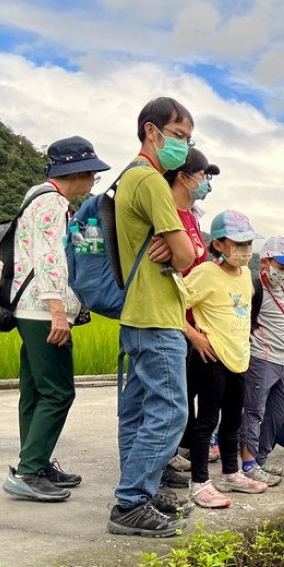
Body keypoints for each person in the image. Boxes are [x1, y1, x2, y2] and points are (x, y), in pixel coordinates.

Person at [2, 136, 110, 502]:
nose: (93, 181)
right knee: (59, 391)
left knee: (34, 391)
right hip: (44, 309)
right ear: (77, 172)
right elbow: (49, 259)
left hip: (28, 308)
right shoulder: (51, 203)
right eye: (92, 174)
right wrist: (59, 313)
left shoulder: (37, 196)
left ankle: (35, 461)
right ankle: (31, 470)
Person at [109, 97, 197, 536]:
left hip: (135, 311)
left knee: (138, 412)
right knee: (170, 412)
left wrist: (176, 243)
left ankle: (138, 490)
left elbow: (178, 248)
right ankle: (131, 502)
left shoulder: (127, 178)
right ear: (151, 130)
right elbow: (186, 253)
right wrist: (180, 244)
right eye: (177, 136)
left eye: (187, 139)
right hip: (157, 314)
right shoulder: (151, 182)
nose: (182, 146)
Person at [182, 210, 269, 506]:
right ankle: (199, 482)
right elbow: (171, 304)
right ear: (218, 244)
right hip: (211, 357)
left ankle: (230, 474)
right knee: (206, 421)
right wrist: (194, 334)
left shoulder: (246, 274)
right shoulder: (205, 273)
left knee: (233, 420)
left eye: (248, 244)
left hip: (238, 357)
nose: (245, 251)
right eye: (238, 244)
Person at [162, 147, 220, 487]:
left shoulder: (192, 217)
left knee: (184, 396)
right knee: (170, 398)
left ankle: (175, 453)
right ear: (183, 177)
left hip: (192, 323)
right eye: (202, 176)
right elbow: (167, 280)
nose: (205, 182)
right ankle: (163, 463)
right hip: (174, 322)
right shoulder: (168, 213)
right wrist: (188, 330)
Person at [239, 236, 284, 485]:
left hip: (283, 360)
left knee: (279, 412)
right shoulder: (255, 287)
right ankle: (248, 463)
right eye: (282, 266)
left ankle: (260, 458)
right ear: (265, 261)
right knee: (254, 412)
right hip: (260, 359)